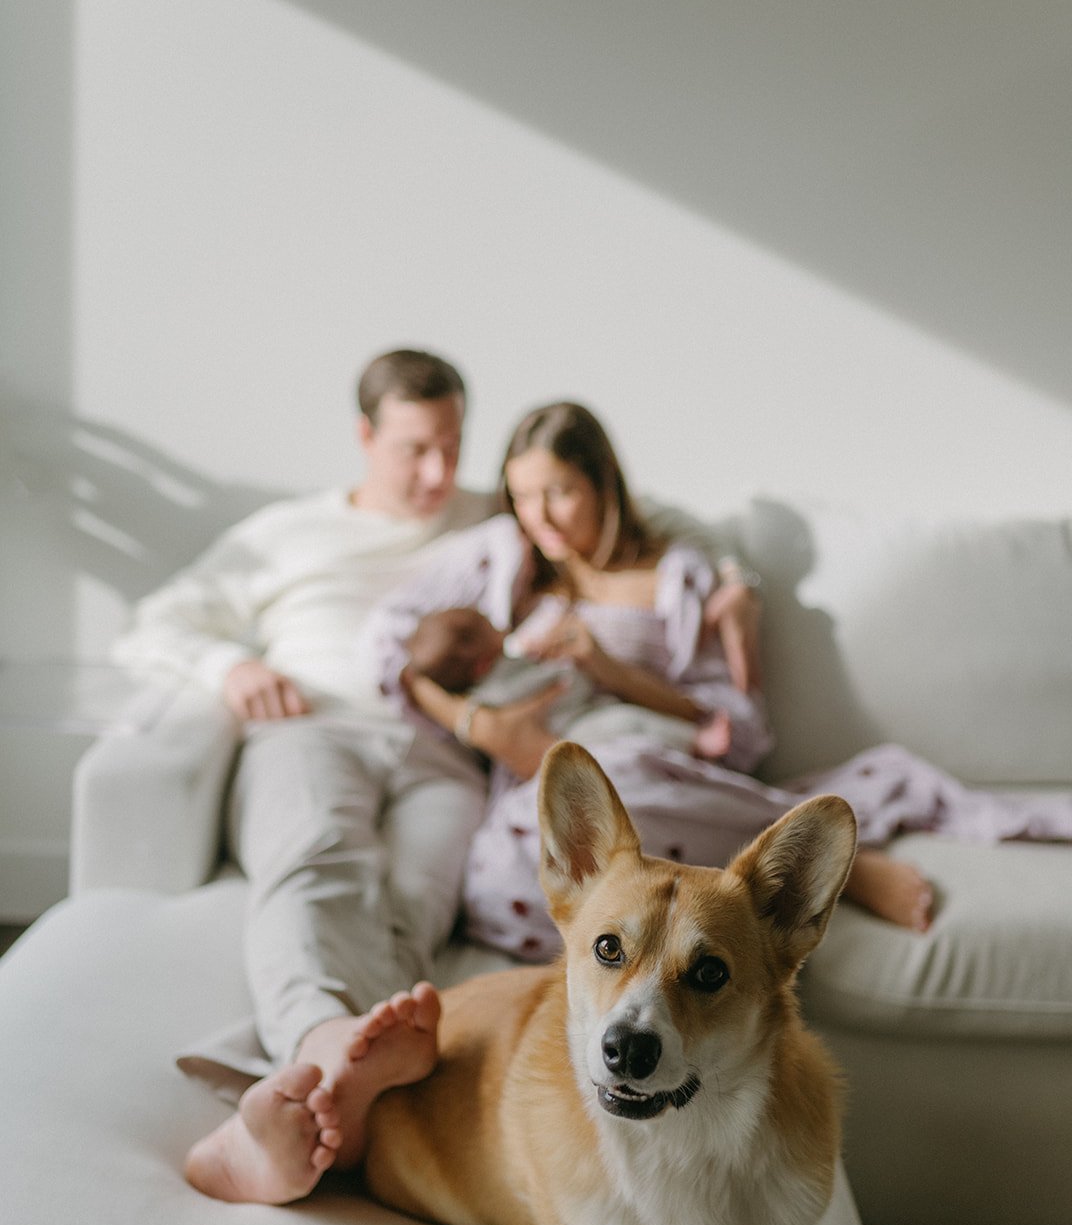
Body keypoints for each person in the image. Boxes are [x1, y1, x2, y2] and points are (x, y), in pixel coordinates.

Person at [116, 358, 762, 1203]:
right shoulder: (286, 532)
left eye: (452, 448)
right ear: (365, 437)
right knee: (320, 856)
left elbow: (644, 517)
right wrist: (230, 666)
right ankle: (321, 1052)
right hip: (320, 724)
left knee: (422, 892)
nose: (436, 473)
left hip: (442, 759)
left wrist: (735, 576)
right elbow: (155, 622)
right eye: (415, 449)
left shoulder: (500, 515)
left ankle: (346, 1082)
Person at [372, 401, 1072, 963]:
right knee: (500, 884)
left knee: (615, 774)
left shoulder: (679, 577)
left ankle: (831, 870)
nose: (541, 517)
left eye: (560, 492)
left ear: (603, 485)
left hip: (663, 778)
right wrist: (478, 725)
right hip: (551, 802)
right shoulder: (507, 570)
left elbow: (737, 731)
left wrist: (610, 671)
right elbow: (395, 651)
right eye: (523, 497)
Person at [401, 603, 771, 764]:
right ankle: (696, 743)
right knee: (628, 723)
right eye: (490, 628)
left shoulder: (502, 663)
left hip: (586, 709)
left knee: (628, 718)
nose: (502, 628)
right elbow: (520, 692)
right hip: (574, 729)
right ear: (482, 663)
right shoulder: (492, 692)